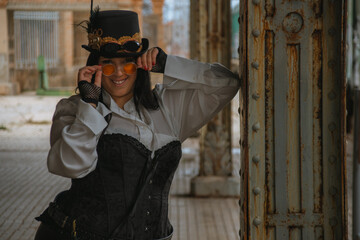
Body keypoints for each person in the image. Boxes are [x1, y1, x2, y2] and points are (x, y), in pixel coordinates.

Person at [34, 5, 240, 240]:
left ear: (141, 65)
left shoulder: (166, 108)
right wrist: (90, 105)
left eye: (128, 63)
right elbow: (69, 165)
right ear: (95, 66)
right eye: (108, 64)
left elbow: (227, 83)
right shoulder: (74, 110)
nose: (118, 73)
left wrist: (168, 64)